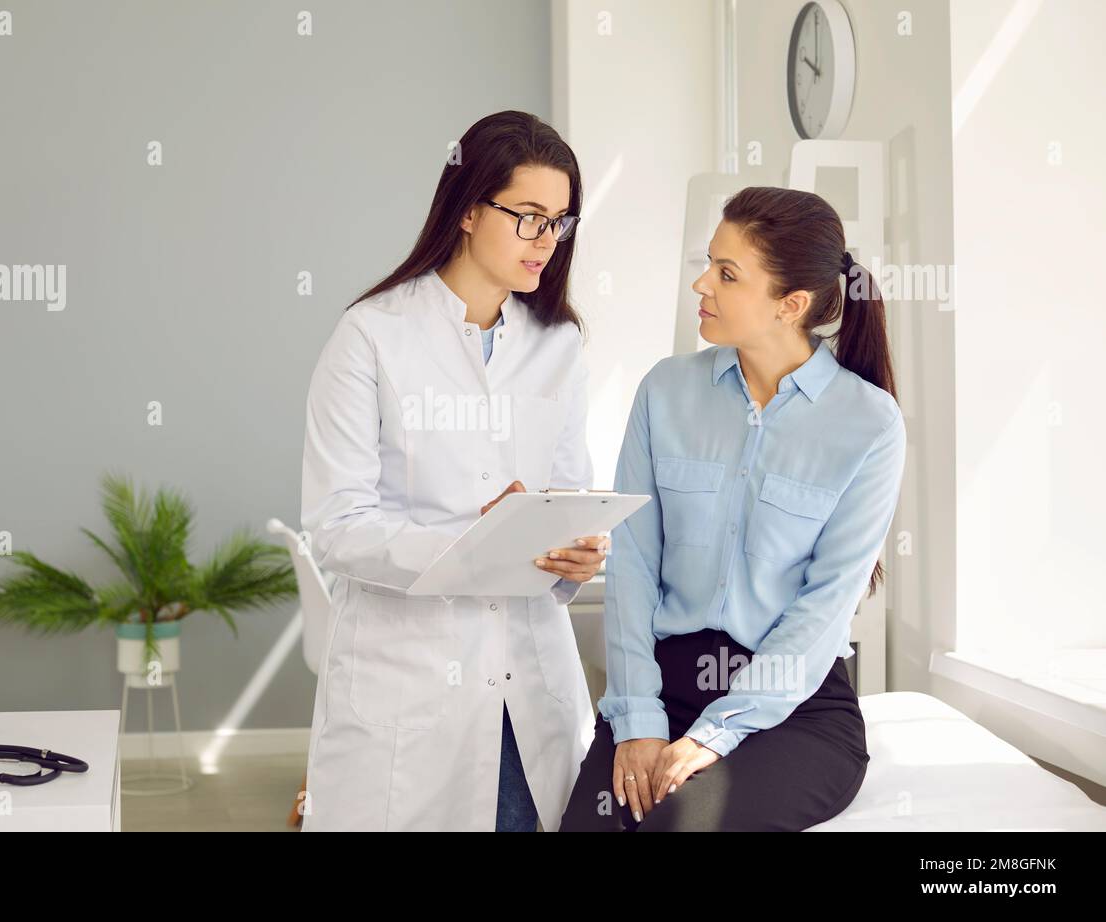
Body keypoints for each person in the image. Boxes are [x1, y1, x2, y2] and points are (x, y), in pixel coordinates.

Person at [561, 186, 906, 831]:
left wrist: (717, 734)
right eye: (708, 264)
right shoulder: (665, 391)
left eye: (727, 274)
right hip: (665, 688)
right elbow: (633, 564)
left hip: (794, 708)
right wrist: (637, 718)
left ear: (790, 304)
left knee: (676, 824)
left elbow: (826, 605)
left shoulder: (869, 424)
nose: (702, 283)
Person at [300, 111, 605, 831]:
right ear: (468, 208)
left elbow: (571, 497)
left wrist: (579, 553)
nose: (546, 241)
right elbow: (337, 528)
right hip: (409, 691)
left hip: (530, 687)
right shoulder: (371, 337)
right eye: (528, 216)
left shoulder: (558, 345)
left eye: (559, 222)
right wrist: (479, 542)